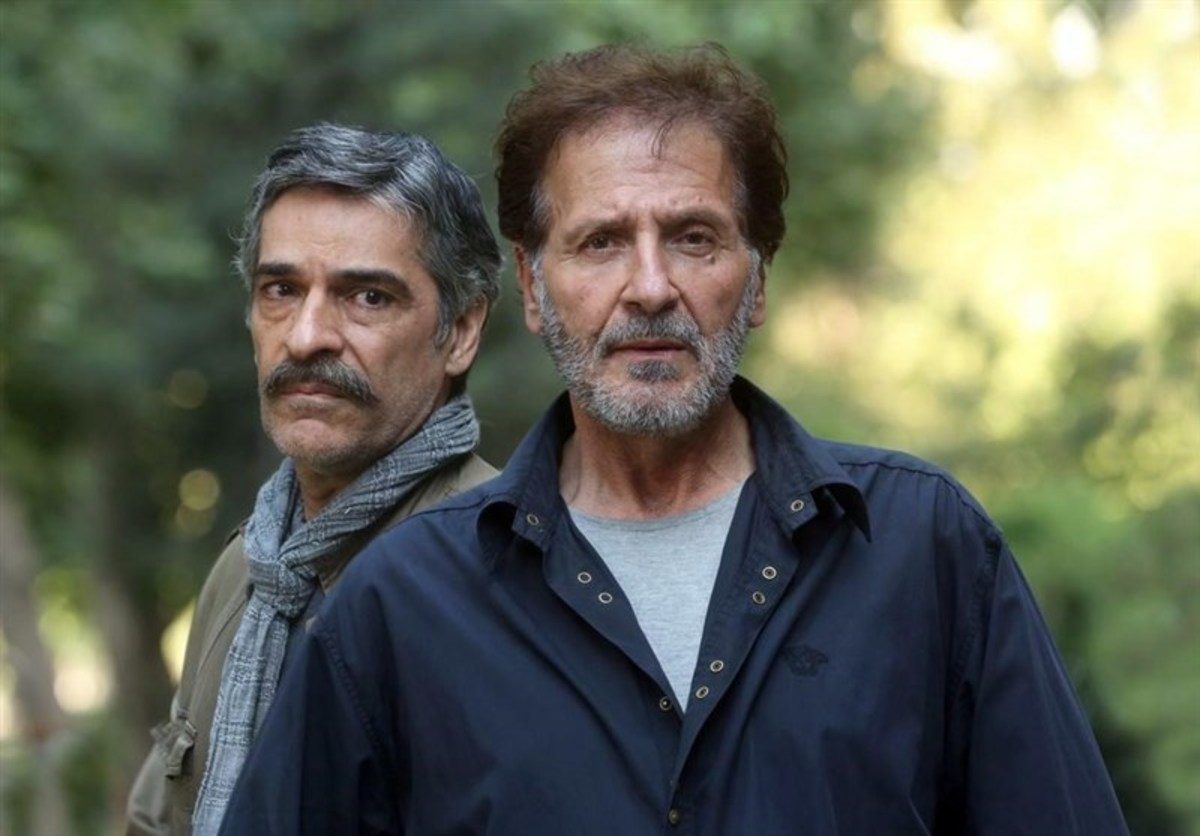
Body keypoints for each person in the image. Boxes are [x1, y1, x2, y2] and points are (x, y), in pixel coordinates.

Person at [219, 45, 1129, 835]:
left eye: (693, 238)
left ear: (757, 279)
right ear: (533, 287)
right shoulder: (403, 602)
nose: (650, 287)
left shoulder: (924, 549)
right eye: (601, 242)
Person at [125, 123, 502, 836]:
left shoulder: (502, 578)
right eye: (281, 289)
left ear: (460, 331)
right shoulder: (249, 568)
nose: (305, 337)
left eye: (368, 297)